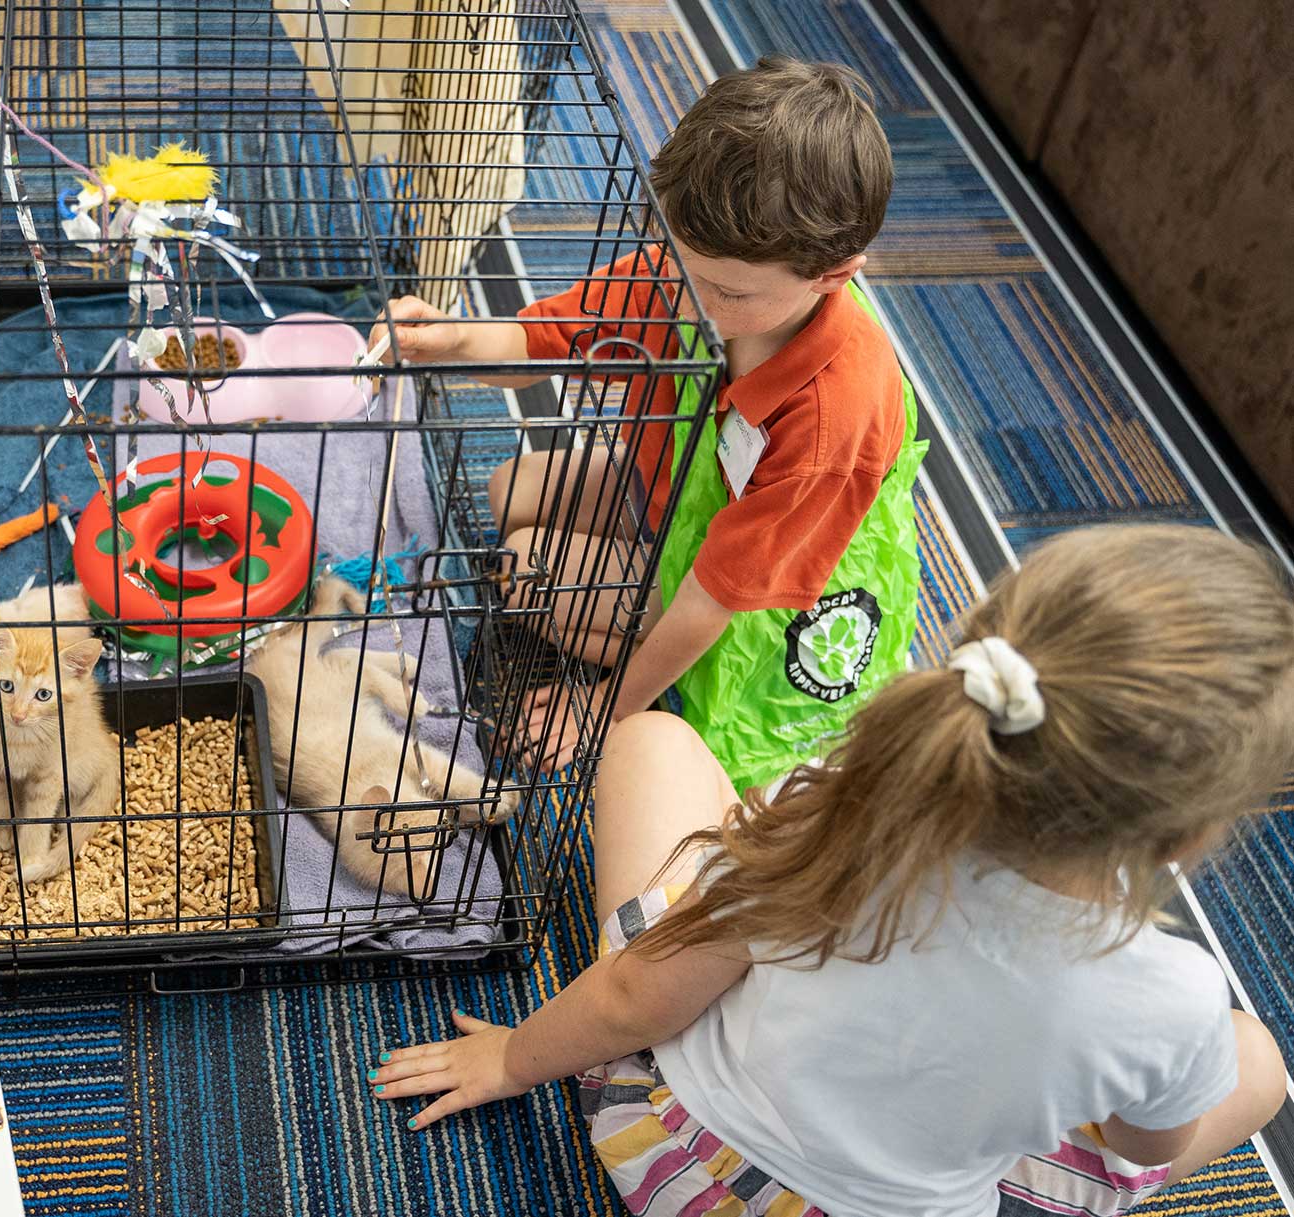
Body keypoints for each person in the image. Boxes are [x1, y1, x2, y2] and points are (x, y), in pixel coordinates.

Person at [366, 524, 1291, 1217]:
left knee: (651, 744)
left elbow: (633, 999)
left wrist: (511, 1058)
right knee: (1252, 1064)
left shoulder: (831, 810)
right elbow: (1140, 1144)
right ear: (1186, 834)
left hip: (677, 1161)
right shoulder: (1172, 996)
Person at [372, 57, 924, 784]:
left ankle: (648, 662)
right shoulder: (691, 271)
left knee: (527, 567)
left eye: (725, 292)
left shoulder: (833, 419)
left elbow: (714, 601)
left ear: (833, 275)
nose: (688, 299)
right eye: (677, 260)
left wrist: (600, 708)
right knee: (512, 489)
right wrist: (449, 340)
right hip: (681, 496)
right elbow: (543, 341)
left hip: (766, 602)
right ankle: (631, 598)